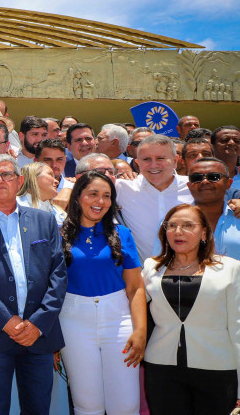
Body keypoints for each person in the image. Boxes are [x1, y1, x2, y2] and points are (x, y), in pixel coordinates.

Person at [0, 154, 66, 415]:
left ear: (19, 181)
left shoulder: (44, 220)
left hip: (38, 336)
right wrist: (5, 321)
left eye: (6, 174)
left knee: (38, 408)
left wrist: (39, 323)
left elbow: (58, 274)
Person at [58, 172, 146, 415]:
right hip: (73, 320)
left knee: (126, 404)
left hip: (118, 320)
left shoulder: (122, 234)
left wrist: (140, 331)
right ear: (78, 197)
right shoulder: (57, 233)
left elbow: (135, 287)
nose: (100, 201)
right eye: (93, 194)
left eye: (107, 196)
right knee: (87, 404)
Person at [142, 204, 240, 414]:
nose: (178, 232)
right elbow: (134, 306)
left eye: (188, 226)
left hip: (217, 368)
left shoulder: (230, 268)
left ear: (204, 232)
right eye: (172, 226)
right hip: (161, 368)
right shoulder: (151, 267)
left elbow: (238, 327)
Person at [117, 134, 193, 260]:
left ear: (175, 160)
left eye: (160, 158)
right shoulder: (123, 188)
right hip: (144, 277)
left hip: (192, 275)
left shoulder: (194, 187)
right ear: (137, 163)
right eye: (146, 159)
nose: (153, 165)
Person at [187, 158, 240, 259]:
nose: (205, 181)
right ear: (189, 186)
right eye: (196, 178)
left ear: (229, 183)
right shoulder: (172, 222)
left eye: (214, 177)